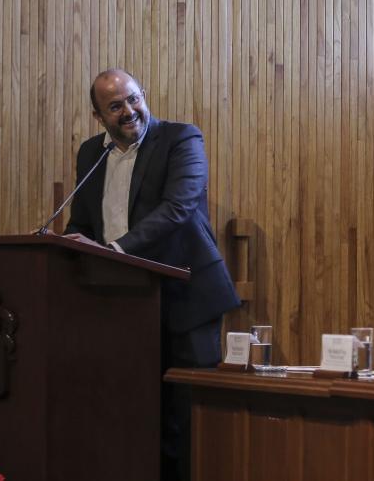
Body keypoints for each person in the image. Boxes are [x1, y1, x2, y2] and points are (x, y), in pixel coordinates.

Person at [63, 69, 240, 481]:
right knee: (136, 417)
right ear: (98, 116)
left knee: (187, 423)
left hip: (186, 301)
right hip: (122, 306)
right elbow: (82, 221)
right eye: (115, 106)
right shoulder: (91, 153)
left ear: (143, 95)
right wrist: (74, 242)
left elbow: (177, 208)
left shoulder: (182, 139)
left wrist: (116, 251)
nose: (129, 111)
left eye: (133, 98)